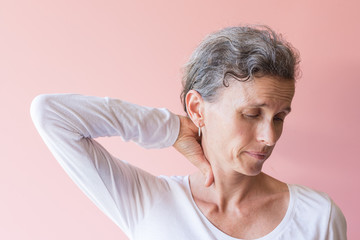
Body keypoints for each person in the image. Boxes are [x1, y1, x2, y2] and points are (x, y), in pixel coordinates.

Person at [31, 25, 347, 239]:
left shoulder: (318, 216)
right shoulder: (150, 201)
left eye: (279, 117)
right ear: (197, 109)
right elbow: (51, 114)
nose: (270, 136)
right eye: (252, 114)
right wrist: (171, 128)